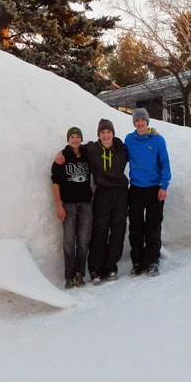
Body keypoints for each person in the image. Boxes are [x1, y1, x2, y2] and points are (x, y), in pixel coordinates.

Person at [54, 118, 129, 285]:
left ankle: (111, 268)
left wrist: (153, 132)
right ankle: (95, 269)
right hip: (102, 193)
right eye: (102, 132)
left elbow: (141, 148)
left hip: (120, 193)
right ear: (99, 135)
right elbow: (74, 148)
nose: (106, 135)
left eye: (108, 131)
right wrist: (60, 153)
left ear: (113, 133)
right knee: (99, 231)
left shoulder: (123, 148)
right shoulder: (92, 148)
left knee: (118, 231)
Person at [126, 108, 171, 277]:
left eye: (142, 120)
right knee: (136, 225)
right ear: (134, 123)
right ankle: (137, 261)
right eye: (137, 120)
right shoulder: (129, 140)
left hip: (154, 188)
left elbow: (165, 163)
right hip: (136, 189)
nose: (140, 123)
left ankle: (152, 261)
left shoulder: (158, 140)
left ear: (147, 122)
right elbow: (113, 150)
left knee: (153, 225)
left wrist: (164, 186)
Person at [51, 127, 92, 289]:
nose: (75, 140)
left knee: (83, 240)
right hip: (68, 204)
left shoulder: (87, 153)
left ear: (81, 139)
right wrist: (59, 204)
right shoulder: (62, 157)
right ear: (68, 139)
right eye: (72, 137)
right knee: (69, 241)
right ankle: (68, 276)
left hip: (86, 204)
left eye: (77, 137)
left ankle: (79, 273)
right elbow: (55, 183)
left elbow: (99, 144)